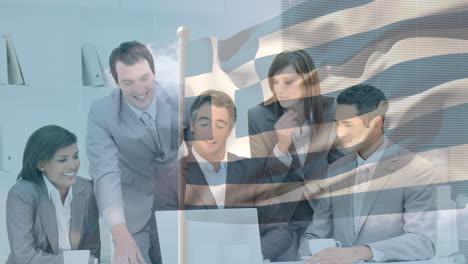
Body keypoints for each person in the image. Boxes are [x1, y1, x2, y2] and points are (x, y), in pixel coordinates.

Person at [299, 84, 437, 263]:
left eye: (348, 124)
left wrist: (362, 252)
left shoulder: (415, 168)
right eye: (337, 124)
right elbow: (310, 239)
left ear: (376, 123)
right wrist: (326, 250)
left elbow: (423, 242)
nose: (339, 133)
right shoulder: (335, 170)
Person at [156, 90, 292, 261]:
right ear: (193, 125)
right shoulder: (170, 178)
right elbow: (158, 243)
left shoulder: (253, 171)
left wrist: (249, 258)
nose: (211, 133)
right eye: (204, 123)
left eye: (220, 125)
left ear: (230, 129)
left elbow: (278, 229)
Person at [86, 41, 183, 264]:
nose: (140, 90)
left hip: (177, 206)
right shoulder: (101, 112)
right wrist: (119, 232)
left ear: (154, 72)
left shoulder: (181, 97)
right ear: (115, 80)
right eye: (128, 82)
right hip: (132, 215)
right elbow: (105, 173)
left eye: (144, 79)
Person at [247, 49, 339, 260]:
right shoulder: (259, 116)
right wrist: (281, 145)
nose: (280, 90)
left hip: (324, 217)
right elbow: (261, 180)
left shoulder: (333, 110)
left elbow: (343, 167)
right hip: (280, 222)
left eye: (288, 82)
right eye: (275, 83)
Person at [6, 125, 100, 264]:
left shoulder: (87, 190)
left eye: (75, 156)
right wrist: (78, 261)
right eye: (62, 160)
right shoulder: (21, 195)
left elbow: (92, 249)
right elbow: (25, 257)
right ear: (42, 165)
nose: (73, 165)